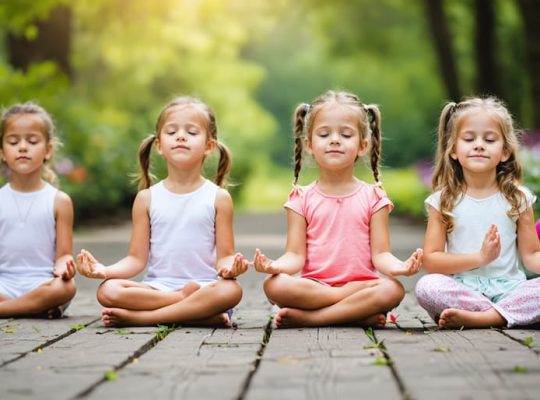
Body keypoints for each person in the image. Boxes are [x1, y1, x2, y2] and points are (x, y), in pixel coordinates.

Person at [253, 90, 422, 328]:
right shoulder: (301, 198)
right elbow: (295, 255)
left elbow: (381, 254)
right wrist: (275, 266)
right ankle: (354, 311)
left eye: (345, 134)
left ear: (362, 145)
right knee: (273, 284)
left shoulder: (373, 196)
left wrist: (400, 267)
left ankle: (315, 318)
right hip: (317, 287)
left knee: (392, 289)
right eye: (324, 134)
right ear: (310, 145)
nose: (334, 140)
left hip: (364, 283)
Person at [77, 96, 247, 327]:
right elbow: (136, 259)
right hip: (157, 288)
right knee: (108, 290)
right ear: (159, 145)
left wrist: (230, 267)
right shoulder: (147, 198)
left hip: (205, 286)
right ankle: (189, 309)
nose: (180, 136)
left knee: (231, 290)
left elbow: (225, 256)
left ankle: (143, 318)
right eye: (171, 131)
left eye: (192, 132)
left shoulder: (218, 197)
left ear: (209, 146)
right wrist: (103, 270)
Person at [416, 97, 540, 329]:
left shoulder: (519, 198)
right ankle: (503, 315)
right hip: (465, 290)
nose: (479, 145)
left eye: (490, 139)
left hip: (511, 290)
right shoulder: (442, 201)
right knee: (427, 286)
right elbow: (432, 260)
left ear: (505, 152)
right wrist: (479, 258)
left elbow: (532, 255)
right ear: (453, 150)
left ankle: (484, 317)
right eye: (469, 139)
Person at [0, 102, 76, 318]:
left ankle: (10, 309)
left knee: (67, 288)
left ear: (48, 150)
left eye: (32, 141)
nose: (23, 147)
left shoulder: (59, 201)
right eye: (13, 141)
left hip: (42, 283)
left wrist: (66, 267)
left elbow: (63, 255)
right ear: (3, 152)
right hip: (3, 285)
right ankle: (35, 308)